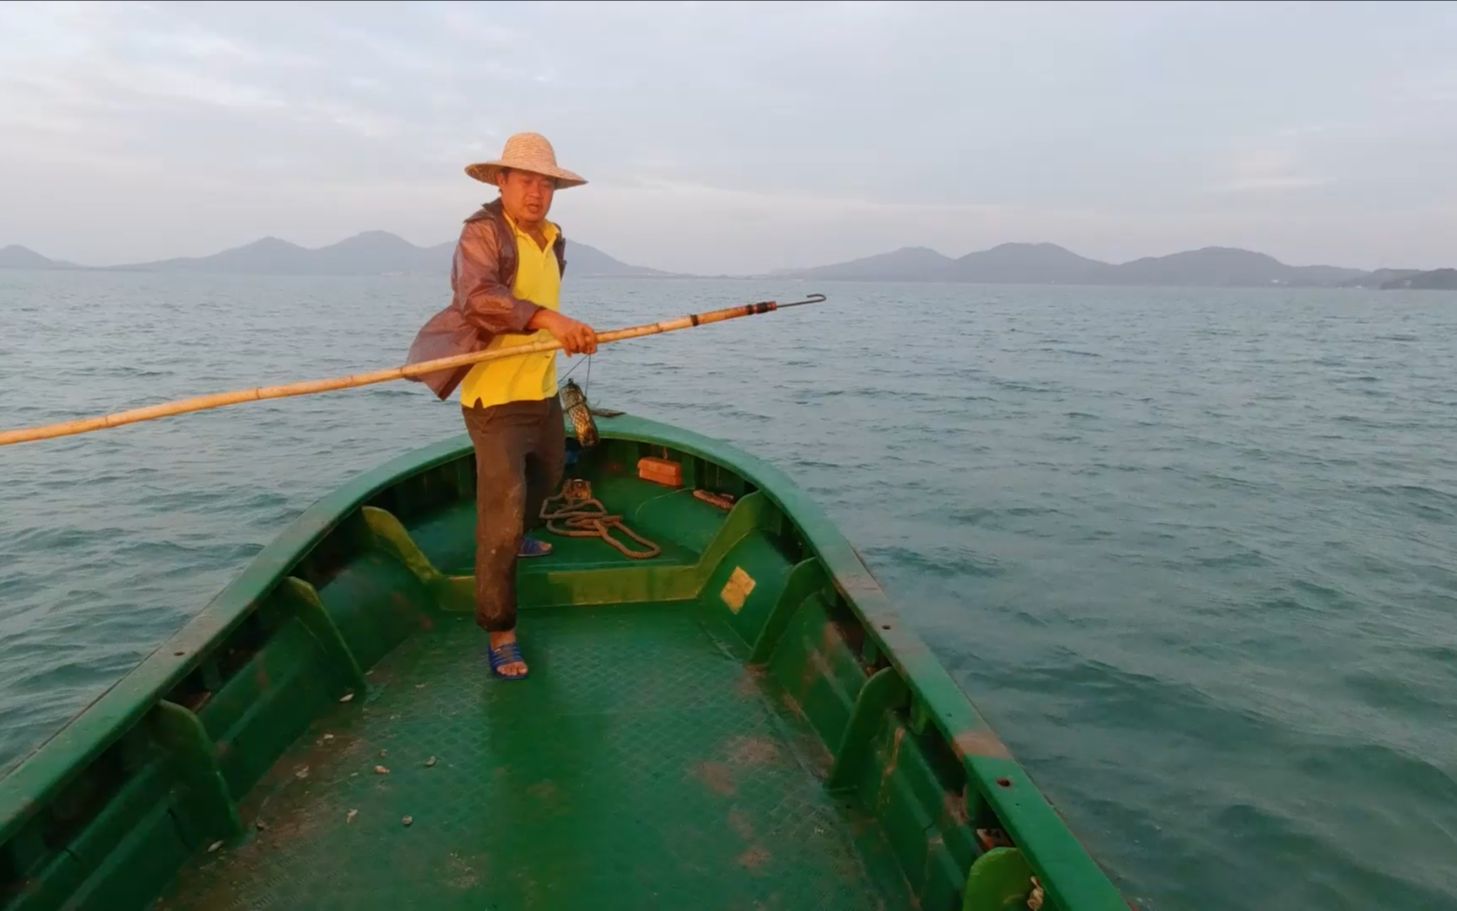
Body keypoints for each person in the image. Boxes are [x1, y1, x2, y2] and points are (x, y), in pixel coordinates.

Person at [404, 132, 598, 680]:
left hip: (539, 389)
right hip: (494, 397)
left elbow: (540, 309)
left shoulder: (554, 239)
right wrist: (550, 320)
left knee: (552, 472)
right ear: (502, 182)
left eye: (546, 183)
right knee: (501, 516)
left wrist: (568, 331)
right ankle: (500, 630)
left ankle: (521, 536)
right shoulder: (483, 232)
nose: (537, 193)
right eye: (526, 181)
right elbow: (480, 299)